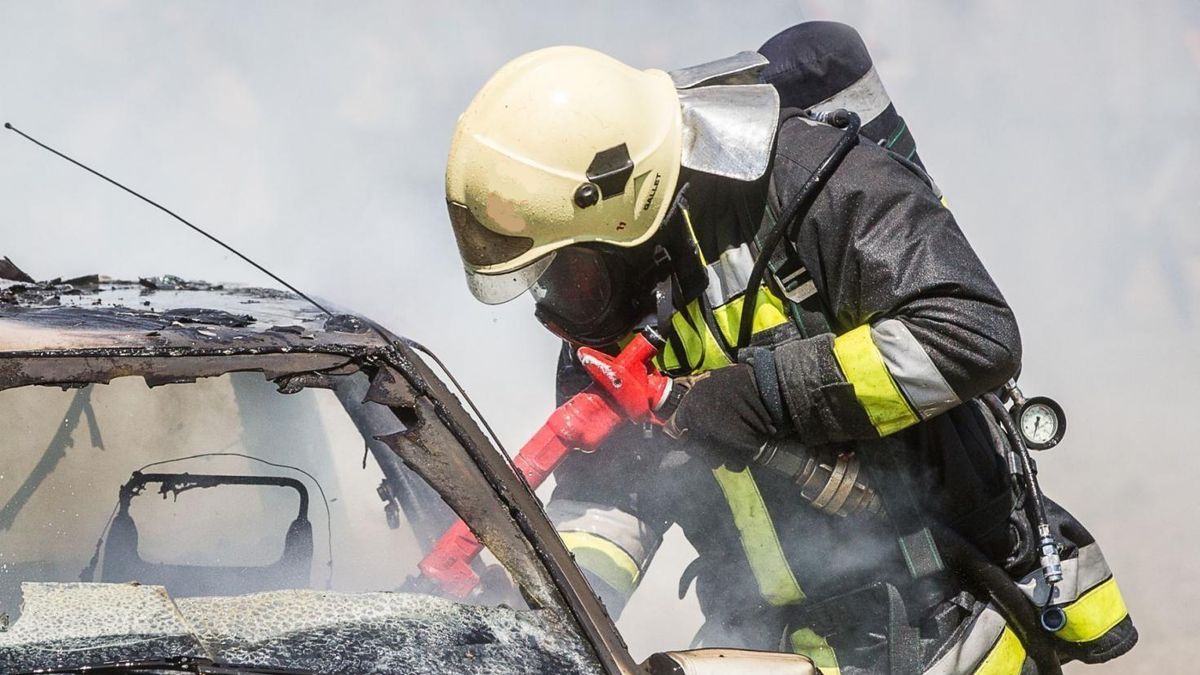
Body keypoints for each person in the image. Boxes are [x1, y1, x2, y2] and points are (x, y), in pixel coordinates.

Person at [443, 22, 1136, 675]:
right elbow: (610, 495)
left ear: (621, 210)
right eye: (542, 280)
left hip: (946, 622)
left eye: (566, 270)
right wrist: (533, 617)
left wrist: (765, 395)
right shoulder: (605, 314)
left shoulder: (807, 182)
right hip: (770, 644)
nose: (556, 306)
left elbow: (968, 330)